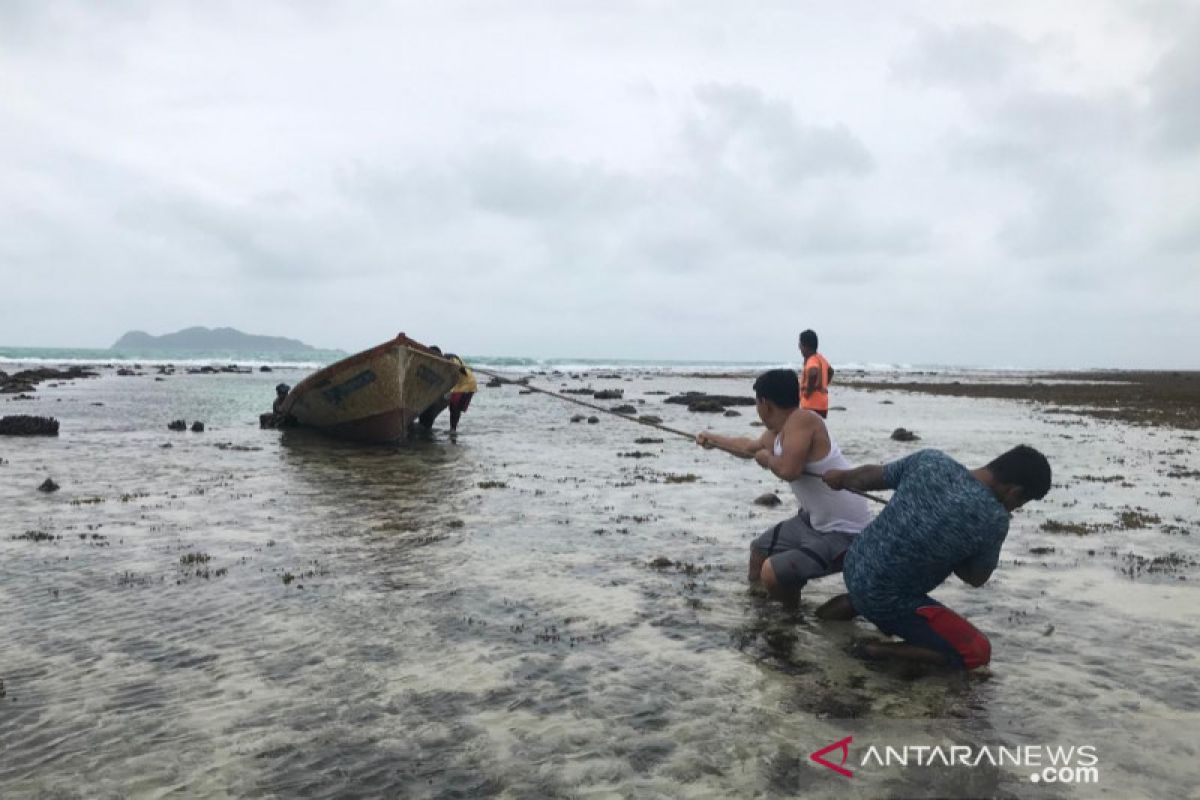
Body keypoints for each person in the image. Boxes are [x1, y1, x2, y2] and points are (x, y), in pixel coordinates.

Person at [817, 445, 1052, 670]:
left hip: (855, 564)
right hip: (886, 598)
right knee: (977, 652)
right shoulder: (994, 519)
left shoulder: (930, 461)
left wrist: (841, 476)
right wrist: (957, 547)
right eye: (1020, 502)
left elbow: (869, 477)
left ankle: (818, 620)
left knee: (872, 589)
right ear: (1015, 491)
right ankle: (877, 651)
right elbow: (975, 578)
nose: (1015, 507)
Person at [697, 369, 873, 609]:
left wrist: (768, 459)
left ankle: (788, 622)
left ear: (764, 403)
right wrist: (713, 440)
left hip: (845, 533)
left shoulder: (804, 420)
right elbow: (748, 448)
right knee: (759, 552)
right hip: (813, 522)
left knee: (772, 572)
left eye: (756, 404)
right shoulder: (776, 434)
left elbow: (790, 469)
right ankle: (759, 611)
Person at [797, 329, 833, 418]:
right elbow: (830, 371)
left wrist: (808, 392)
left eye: (800, 345)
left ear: (805, 346)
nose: (799, 348)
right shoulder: (821, 358)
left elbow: (813, 373)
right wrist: (823, 385)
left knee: (807, 430)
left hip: (811, 404)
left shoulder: (812, 359)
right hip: (822, 404)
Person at [445, 353, 477, 432]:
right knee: (454, 407)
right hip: (463, 385)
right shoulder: (458, 359)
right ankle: (453, 429)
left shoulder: (453, 360)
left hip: (466, 385)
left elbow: (461, 370)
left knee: (455, 407)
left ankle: (453, 429)